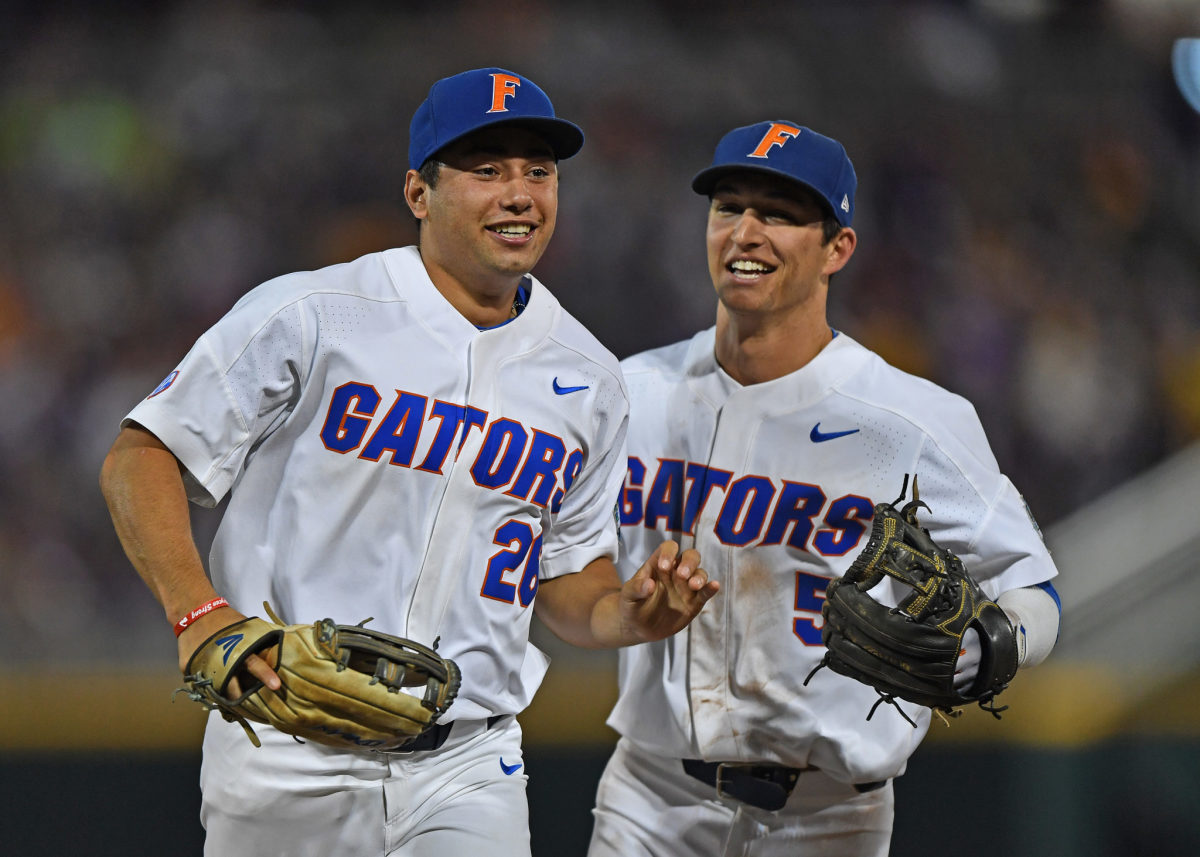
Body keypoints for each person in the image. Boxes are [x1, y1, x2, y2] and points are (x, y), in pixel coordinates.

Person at [99, 67, 718, 857]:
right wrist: (197, 613)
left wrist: (630, 614)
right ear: (418, 193)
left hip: (469, 761)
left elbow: (563, 582)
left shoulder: (590, 376)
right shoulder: (316, 313)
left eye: (539, 170)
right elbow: (141, 454)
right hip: (289, 747)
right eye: (486, 170)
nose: (520, 193)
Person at [587, 120, 1063, 857]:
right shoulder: (629, 394)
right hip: (652, 799)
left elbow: (1036, 588)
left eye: (777, 213)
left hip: (829, 816)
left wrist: (990, 640)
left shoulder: (908, 420)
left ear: (838, 247)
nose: (746, 231)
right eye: (728, 207)